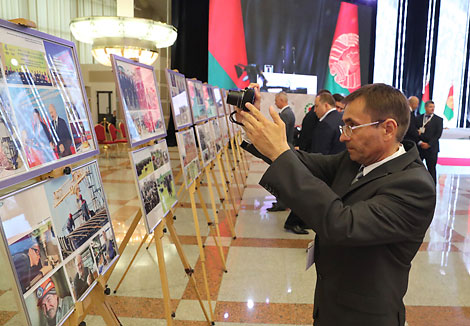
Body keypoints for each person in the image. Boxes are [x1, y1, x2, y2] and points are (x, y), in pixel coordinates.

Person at [237, 83, 435, 326]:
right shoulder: (356, 160)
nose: (343, 136)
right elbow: (305, 163)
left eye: (352, 126)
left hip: (365, 318)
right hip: (331, 304)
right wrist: (258, 129)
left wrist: (280, 153)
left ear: (388, 129)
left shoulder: (414, 185)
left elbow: (342, 224)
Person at [284, 92, 346, 234]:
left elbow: (320, 151)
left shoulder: (326, 123)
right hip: (335, 165)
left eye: (317, 106)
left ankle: (294, 222)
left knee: (309, 196)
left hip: (326, 166)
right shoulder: (338, 118)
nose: (315, 109)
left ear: (325, 105)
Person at [267, 91, 295, 212]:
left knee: (281, 178)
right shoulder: (289, 113)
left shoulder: (285, 114)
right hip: (287, 147)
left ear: (282, 101)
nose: (275, 102)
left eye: (276, 100)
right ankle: (280, 201)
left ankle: (281, 203)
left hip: (282, 149)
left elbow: (280, 134)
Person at [417, 100, 443, 184]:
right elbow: (414, 132)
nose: (432, 109)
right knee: (417, 168)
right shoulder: (418, 118)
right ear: (425, 107)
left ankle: (432, 188)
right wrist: (420, 142)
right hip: (420, 147)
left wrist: (429, 144)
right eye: (430, 107)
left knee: (431, 169)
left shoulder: (438, 120)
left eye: (433, 107)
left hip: (432, 149)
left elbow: (437, 135)